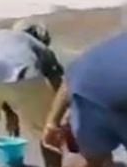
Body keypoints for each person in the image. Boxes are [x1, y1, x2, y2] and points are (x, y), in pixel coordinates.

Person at [0, 21, 65, 167]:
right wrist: (58, 116)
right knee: (47, 128)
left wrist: (11, 112)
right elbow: (59, 84)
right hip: (21, 72)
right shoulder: (38, 45)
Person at [43, 30, 127, 166]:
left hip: (83, 94)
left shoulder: (114, 43)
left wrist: (52, 123)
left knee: (94, 160)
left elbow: (71, 77)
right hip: (117, 99)